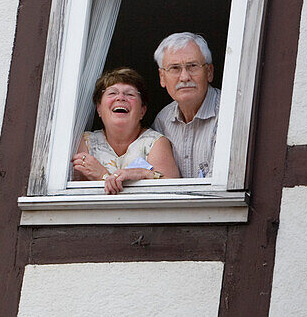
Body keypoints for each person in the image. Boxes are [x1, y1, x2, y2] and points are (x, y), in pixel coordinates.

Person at [71, 67, 179, 195]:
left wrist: (144, 173)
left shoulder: (155, 143)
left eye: (130, 94)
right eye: (112, 93)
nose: (120, 98)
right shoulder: (85, 142)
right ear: (99, 109)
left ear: (142, 111)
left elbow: (173, 192)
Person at [152, 32, 221, 178]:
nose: (184, 77)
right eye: (175, 68)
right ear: (162, 77)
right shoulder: (162, 120)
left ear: (209, 72)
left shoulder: (228, 114)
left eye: (193, 66)